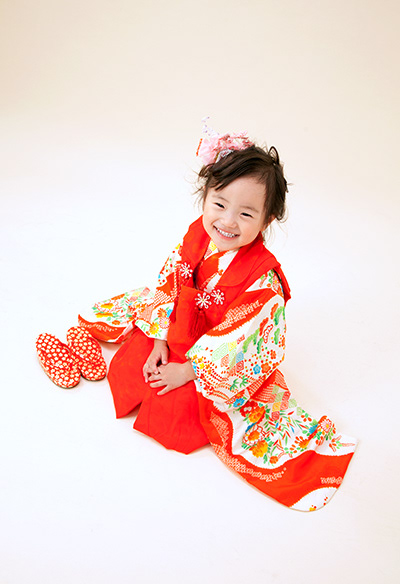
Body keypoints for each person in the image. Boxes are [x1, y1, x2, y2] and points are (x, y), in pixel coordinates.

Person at [78, 123, 357, 511]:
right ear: (205, 196)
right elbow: (171, 280)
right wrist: (159, 339)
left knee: (177, 409)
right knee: (132, 366)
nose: (227, 222)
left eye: (246, 213)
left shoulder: (263, 281)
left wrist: (186, 371)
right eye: (220, 204)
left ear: (267, 220)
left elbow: (242, 338)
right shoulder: (198, 235)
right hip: (179, 328)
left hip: (216, 355)